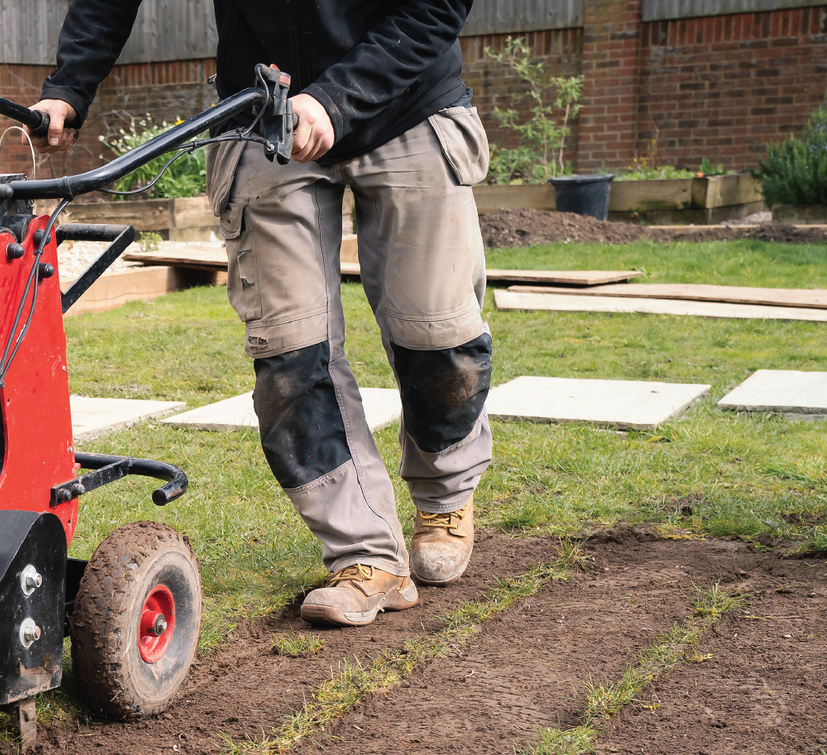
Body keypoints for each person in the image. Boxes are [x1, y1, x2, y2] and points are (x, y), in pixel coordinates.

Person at [33, 1, 492, 627]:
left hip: (408, 103)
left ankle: (444, 496)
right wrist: (70, 84)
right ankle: (365, 555)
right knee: (290, 356)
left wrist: (334, 99)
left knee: (436, 336)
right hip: (266, 120)